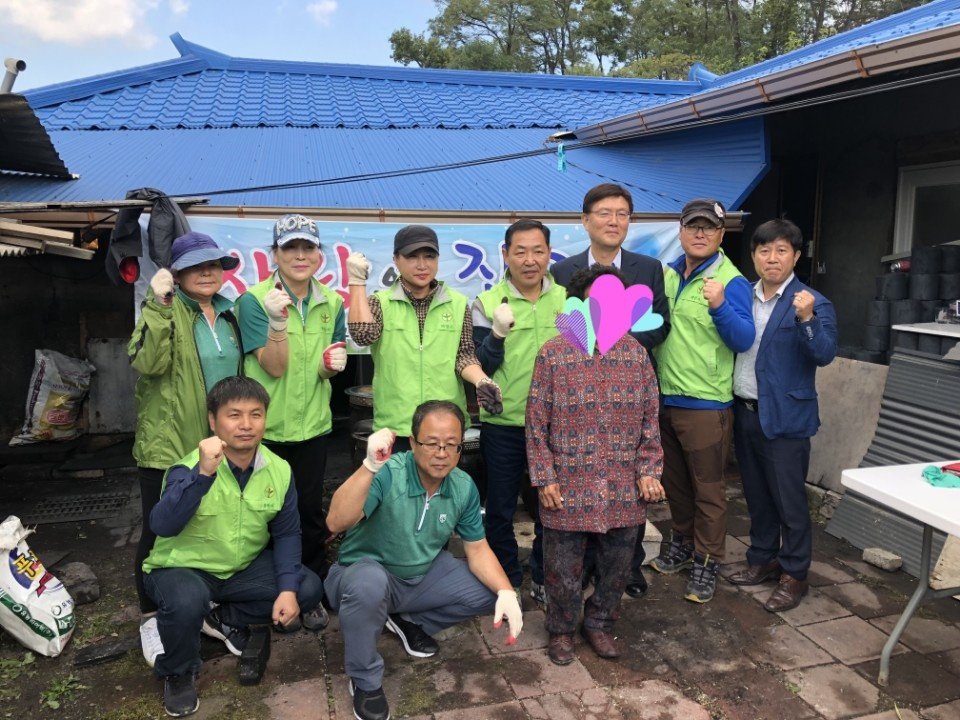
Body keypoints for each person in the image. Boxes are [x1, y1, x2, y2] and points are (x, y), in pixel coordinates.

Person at [324, 400, 523, 720]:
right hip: (362, 573)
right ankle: (364, 679)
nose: (441, 452)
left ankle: (408, 621)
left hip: (418, 577)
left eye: (451, 445)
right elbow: (335, 521)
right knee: (369, 586)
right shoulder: (390, 472)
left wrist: (506, 591)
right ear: (413, 443)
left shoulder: (463, 486)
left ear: (461, 447)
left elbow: (478, 549)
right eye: (431, 443)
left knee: (490, 591)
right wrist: (369, 467)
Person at [142, 377, 325, 718]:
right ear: (213, 421)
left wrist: (287, 590)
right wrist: (203, 475)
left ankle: (219, 616)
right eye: (234, 415)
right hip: (183, 568)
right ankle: (178, 671)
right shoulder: (187, 467)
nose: (246, 425)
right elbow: (161, 525)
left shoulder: (279, 469)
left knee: (308, 587)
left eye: (256, 414)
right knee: (184, 601)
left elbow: (286, 534)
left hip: (240, 570)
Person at [526, 265, 664, 666]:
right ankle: (563, 630)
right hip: (567, 485)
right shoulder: (553, 354)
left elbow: (650, 420)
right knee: (562, 569)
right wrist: (544, 477)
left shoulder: (636, 355)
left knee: (618, 564)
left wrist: (649, 470)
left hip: (622, 486)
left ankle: (600, 622)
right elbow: (535, 422)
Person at [128, 231, 243, 668]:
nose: (207, 271)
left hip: (215, 445)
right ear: (176, 274)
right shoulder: (165, 309)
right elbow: (147, 362)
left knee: (204, 527)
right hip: (169, 444)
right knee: (158, 530)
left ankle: (199, 608)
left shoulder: (229, 315)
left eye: (213, 263)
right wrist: (157, 306)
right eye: (196, 265)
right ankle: (151, 616)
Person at [551, 183, 671, 599]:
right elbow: (564, 328)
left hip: (627, 390)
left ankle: (627, 568)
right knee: (582, 486)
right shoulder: (562, 271)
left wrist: (615, 343)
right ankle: (582, 569)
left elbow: (661, 325)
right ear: (585, 220)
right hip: (578, 395)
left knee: (626, 483)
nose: (613, 221)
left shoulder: (648, 268)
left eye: (622, 213)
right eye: (604, 212)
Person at [727, 219, 837, 611]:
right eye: (764, 251)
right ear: (754, 255)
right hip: (745, 410)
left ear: (796, 255)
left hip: (786, 416)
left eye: (781, 251)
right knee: (756, 494)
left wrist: (806, 319)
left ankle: (795, 574)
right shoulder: (743, 296)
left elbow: (824, 354)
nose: (772, 259)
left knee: (790, 501)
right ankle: (762, 559)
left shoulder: (811, 301)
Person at [651, 198, 756, 603]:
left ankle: (707, 562)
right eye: (693, 226)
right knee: (675, 486)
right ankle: (681, 545)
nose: (700, 233)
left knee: (708, 491)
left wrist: (718, 307)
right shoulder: (668, 275)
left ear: (721, 233)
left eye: (709, 228)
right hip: (667, 399)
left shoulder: (731, 282)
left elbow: (744, 339)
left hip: (706, 406)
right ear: (680, 231)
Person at [236, 214, 346, 577]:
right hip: (265, 429)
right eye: (290, 248)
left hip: (312, 425)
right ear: (275, 254)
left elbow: (323, 367)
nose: (300, 256)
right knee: (264, 512)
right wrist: (278, 323)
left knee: (310, 511)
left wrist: (331, 366)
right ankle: (269, 587)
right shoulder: (254, 301)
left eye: (308, 247)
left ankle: (311, 582)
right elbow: (274, 367)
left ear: (318, 255)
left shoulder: (331, 302)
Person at [472, 219, 567, 603]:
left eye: (538, 251)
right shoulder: (487, 302)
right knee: (499, 507)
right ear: (505, 255)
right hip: (505, 424)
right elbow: (479, 365)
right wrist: (496, 335)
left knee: (553, 508)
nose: (530, 260)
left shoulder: (568, 301)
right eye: (520, 251)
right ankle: (507, 577)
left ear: (549, 254)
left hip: (558, 426)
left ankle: (545, 576)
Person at [346, 225, 502, 450]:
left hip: (445, 426)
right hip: (396, 426)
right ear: (396, 260)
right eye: (412, 256)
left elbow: (465, 356)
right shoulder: (379, 303)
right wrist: (357, 282)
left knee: (443, 487)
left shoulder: (458, 303)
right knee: (397, 486)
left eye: (429, 256)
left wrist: (481, 380)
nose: (422, 265)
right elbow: (362, 335)